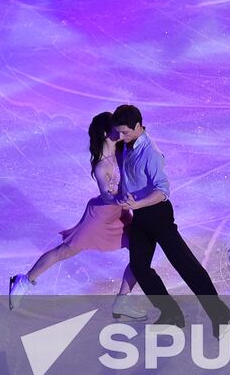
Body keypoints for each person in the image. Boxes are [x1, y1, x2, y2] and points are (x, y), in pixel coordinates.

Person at [8, 113, 145, 321]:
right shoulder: (102, 166)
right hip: (100, 217)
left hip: (121, 214)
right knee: (65, 252)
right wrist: (122, 197)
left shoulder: (121, 150)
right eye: (116, 128)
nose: (121, 130)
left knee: (140, 252)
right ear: (107, 132)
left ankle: (123, 299)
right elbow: (107, 197)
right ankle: (24, 280)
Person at [111, 104, 230, 332]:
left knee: (185, 265)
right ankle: (171, 314)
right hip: (140, 215)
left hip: (158, 214)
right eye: (119, 132)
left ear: (138, 126)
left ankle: (222, 316)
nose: (121, 136)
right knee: (139, 267)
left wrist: (138, 202)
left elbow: (162, 191)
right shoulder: (126, 145)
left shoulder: (150, 153)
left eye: (125, 132)